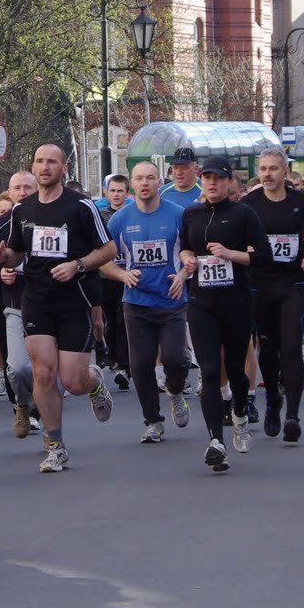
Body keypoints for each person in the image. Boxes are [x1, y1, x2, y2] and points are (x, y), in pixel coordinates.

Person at [0, 143, 117, 472]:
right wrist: (2, 257)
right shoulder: (22, 210)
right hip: (37, 300)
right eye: (39, 161)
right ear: (33, 166)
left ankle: (93, 383)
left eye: (51, 162)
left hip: (74, 300)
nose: (45, 167)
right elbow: (16, 253)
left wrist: (77, 265)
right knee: (43, 373)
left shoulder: (81, 207)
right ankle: (55, 445)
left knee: (72, 381)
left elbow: (109, 249)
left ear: (64, 168)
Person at [177, 157, 272, 469]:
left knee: (234, 369)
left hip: (236, 303)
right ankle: (215, 441)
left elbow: (265, 256)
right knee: (208, 370)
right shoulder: (191, 214)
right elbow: (185, 247)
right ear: (201, 180)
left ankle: (240, 416)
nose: (212, 183)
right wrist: (188, 259)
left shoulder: (243, 213)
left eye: (218, 178)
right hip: (201, 303)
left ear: (229, 181)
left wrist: (231, 254)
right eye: (207, 177)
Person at [102, 161, 190, 443]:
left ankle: (175, 391)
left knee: (175, 359)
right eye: (139, 178)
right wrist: (122, 274)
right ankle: (153, 421)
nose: (145, 183)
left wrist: (184, 274)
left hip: (171, 300)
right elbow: (102, 259)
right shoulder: (119, 220)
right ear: (133, 183)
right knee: (140, 365)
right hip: (136, 302)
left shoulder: (178, 215)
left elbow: (191, 253)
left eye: (150, 178)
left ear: (159, 181)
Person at [244, 148, 304, 443]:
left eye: (273, 168)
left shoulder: (302, 202)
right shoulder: (249, 204)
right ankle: (273, 399)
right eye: (263, 169)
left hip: (293, 281)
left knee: (291, 345)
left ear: (285, 172)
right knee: (268, 347)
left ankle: (293, 416)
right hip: (261, 283)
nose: (267, 174)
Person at [0, 174, 39, 436]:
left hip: (48, 303)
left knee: (44, 366)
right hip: (9, 304)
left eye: (28, 187)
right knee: (16, 366)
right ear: (9, 192)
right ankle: (20, 406)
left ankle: (40, 415)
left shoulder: (54, 219)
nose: (23, 192)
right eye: (17, 188)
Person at [95, 174, 130, 386]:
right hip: (104, 275)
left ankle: (124, 366)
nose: (116, 195)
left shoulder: (131, 214)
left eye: (120, 191)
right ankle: (113, 355)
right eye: (112, 191)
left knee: (123, 318)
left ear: (127, 193)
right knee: (109, 320)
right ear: (105, 193)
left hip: (127, 276)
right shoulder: (99, 215)